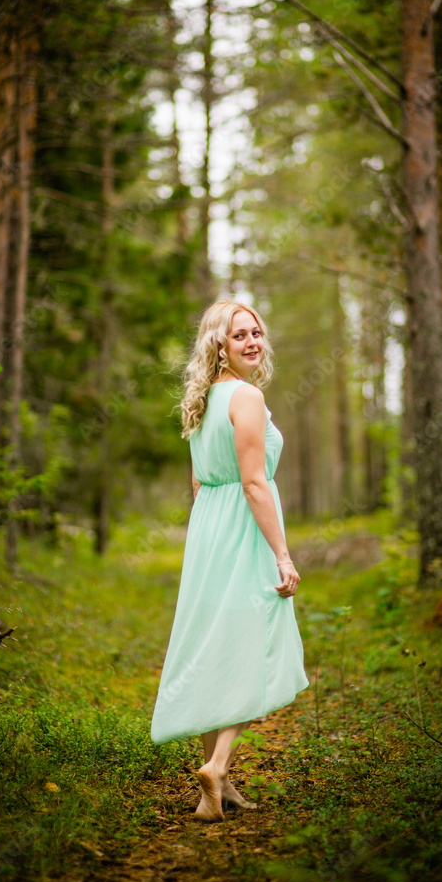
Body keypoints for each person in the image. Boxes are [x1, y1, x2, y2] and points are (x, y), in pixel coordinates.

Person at [150, 299, 309, 822]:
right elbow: (254, 482)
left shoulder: (202, 398)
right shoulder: (247, 397)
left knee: (212, 645)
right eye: (240, 335)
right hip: (242, 528)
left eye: (257, 332)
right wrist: (281, 554)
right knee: (253, 644)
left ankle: (213, 791)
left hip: (210, 528)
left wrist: (209, 533)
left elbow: (200, 480)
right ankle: (217, 764)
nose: (253, 341)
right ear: (219, 343)